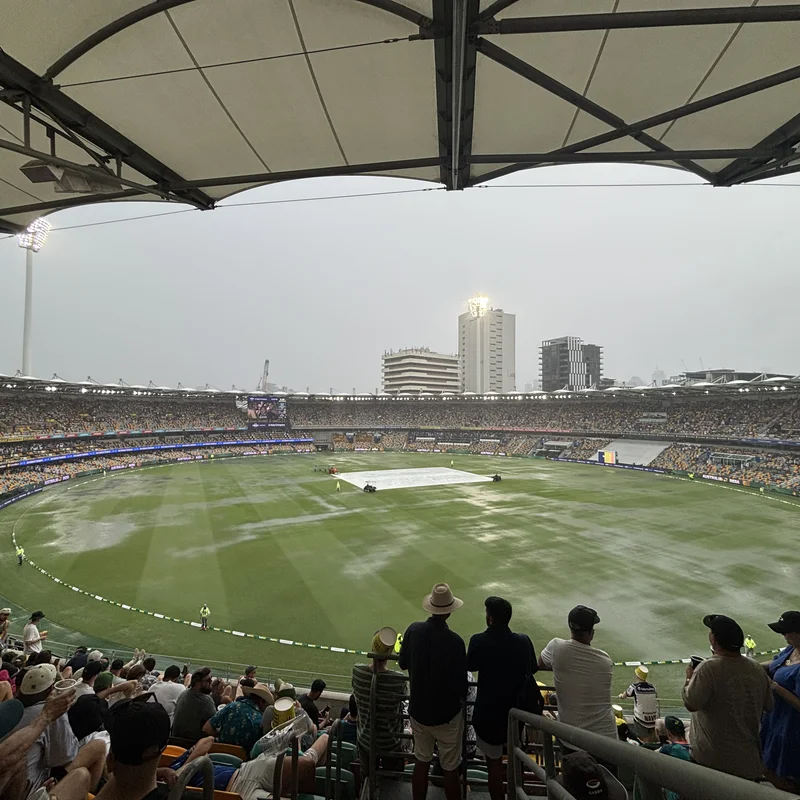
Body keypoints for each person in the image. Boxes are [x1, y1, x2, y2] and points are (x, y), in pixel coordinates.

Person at [95, 697, 329, 800]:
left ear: (112, 759)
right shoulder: (174, 793)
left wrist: (177, 769)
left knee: (306, 764)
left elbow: (206, 741)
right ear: (157, 749)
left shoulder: (157, 774)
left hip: (246, 770)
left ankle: (325, 737)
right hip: (237, 792)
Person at [682, 614, 772, 781]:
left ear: (713, 639)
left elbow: (691, 703)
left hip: (712, 763)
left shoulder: (708, 668)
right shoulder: (756, 669)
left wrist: (689, 677)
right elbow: (769, 705)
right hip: (748, 761)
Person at [399, 582, 467, 800]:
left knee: (421, 761)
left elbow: (402, 663)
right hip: (447, 715)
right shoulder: (456, 642)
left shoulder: (413, 630)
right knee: (450, 768)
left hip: (419, 711)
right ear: (448, 612)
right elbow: (462, 686)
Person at [467, 596, 536, 800]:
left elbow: (469, 665)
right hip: (516, 713)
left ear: (489, 618)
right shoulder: (523, 641)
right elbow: (532, 668)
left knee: (494, 768)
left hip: (488, 716)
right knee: (516, 762)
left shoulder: (478, 640)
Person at [11, 664, 107, 796]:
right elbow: (65, 757)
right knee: (87, 766)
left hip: (19, 780)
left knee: (96, 747)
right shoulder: (49, 712)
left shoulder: (10, 707)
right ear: (51, 689)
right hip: (30, 790)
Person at [538, 605, 616, 742]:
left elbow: (540, 663)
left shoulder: (556, 647)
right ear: (591, 632)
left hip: (571, 739)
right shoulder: (605, 659)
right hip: (606, 741)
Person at [0, 688, 92, 800]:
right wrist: (45, 716)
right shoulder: (45, 713)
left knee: (18, 759)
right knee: (81, 776)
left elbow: (9, 759)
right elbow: (65, 757)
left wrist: (37, 791)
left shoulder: (14, 756)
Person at [352, 627, 407, 778]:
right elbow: (403, 706)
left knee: (367, 779)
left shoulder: (358, 672)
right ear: (389, 653)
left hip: (365, 740)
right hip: (391, 742)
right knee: (394, 784)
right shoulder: (398, 679)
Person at [761, 610, 800, 791]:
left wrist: (774, 686)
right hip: (774, 720)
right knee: (767, 766)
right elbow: (775, 664)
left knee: (783, 775)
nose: (783, 636)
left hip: (790, 729)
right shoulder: (791, 649)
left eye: (786, 632)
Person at [203, 682, 274, 753]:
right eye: (264, 704)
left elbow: (206, 728)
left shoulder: (231, 706)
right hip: (242, 760)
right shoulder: (259, 719)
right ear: (261, 702)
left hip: (218, 752)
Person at [171, 667, 216, 744]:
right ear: (198, 684)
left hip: (174, 740)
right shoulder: (206, 701)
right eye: (208, 680)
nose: (211, 682)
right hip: (191, 745)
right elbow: (215, 725)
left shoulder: (183, 693)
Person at [618, 665, 658, 742]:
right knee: (653, 738)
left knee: (643, 739)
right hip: (653, 718)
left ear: (637, 676)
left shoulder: (634, 687)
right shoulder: (652, 687)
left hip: (641, 719)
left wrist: (621, 696)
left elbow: (625, 694)